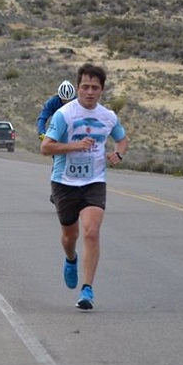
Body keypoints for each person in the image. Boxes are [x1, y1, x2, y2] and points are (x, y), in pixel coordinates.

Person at [40, 64, 128, 311]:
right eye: (86, 87)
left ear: (101, 90)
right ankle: (71, 259)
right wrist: (74, 147)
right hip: (64, 182)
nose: (90, 92)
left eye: (95, 88)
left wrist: (118, 155)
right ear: (78, 87)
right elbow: (45, 147)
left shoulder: (108, 116)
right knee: (70, 237)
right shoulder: (64, 115)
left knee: (91, 231)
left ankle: (87, 289)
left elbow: (122, 139)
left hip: (94, 181)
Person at [37, 79, 78, 203]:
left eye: (69, 100)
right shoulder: (53, 102)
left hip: (73, 134)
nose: (66, 102)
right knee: (58, 164)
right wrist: (42, 132)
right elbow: (42, 117)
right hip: (57, 134)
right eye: (64, 100)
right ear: (59, 97)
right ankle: (55, 192)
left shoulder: (77, 102)